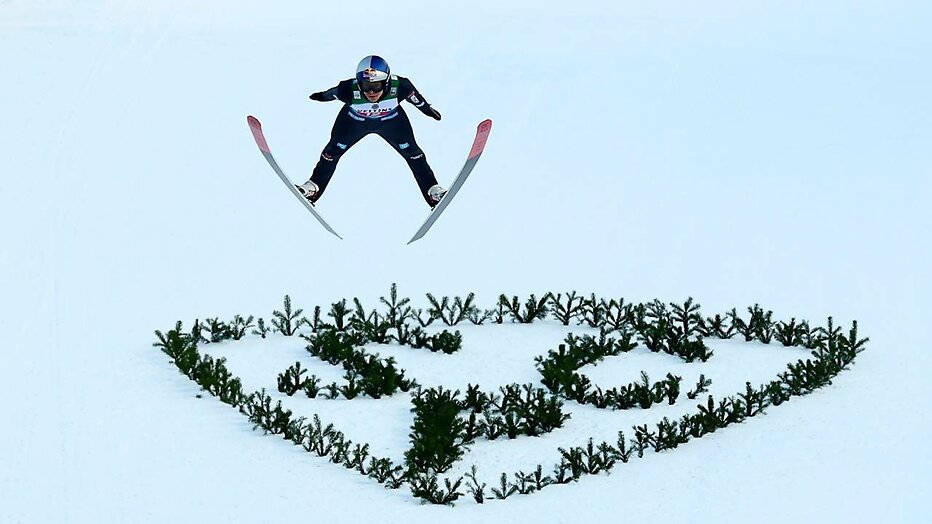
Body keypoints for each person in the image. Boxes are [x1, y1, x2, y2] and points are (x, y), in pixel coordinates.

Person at [299, 55, 446, 208]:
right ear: (358, 83)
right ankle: (313, 187)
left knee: (413, 153)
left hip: (392, 123)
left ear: (386, 81)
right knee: (331, 152)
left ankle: (432, 190)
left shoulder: (401, 86)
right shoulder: (347, 89)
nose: (371, 92)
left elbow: (417, 100)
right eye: (365, 85)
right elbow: (331, 94)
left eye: (376, 86)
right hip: (353, 123)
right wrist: (321, 97)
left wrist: (428, 111)